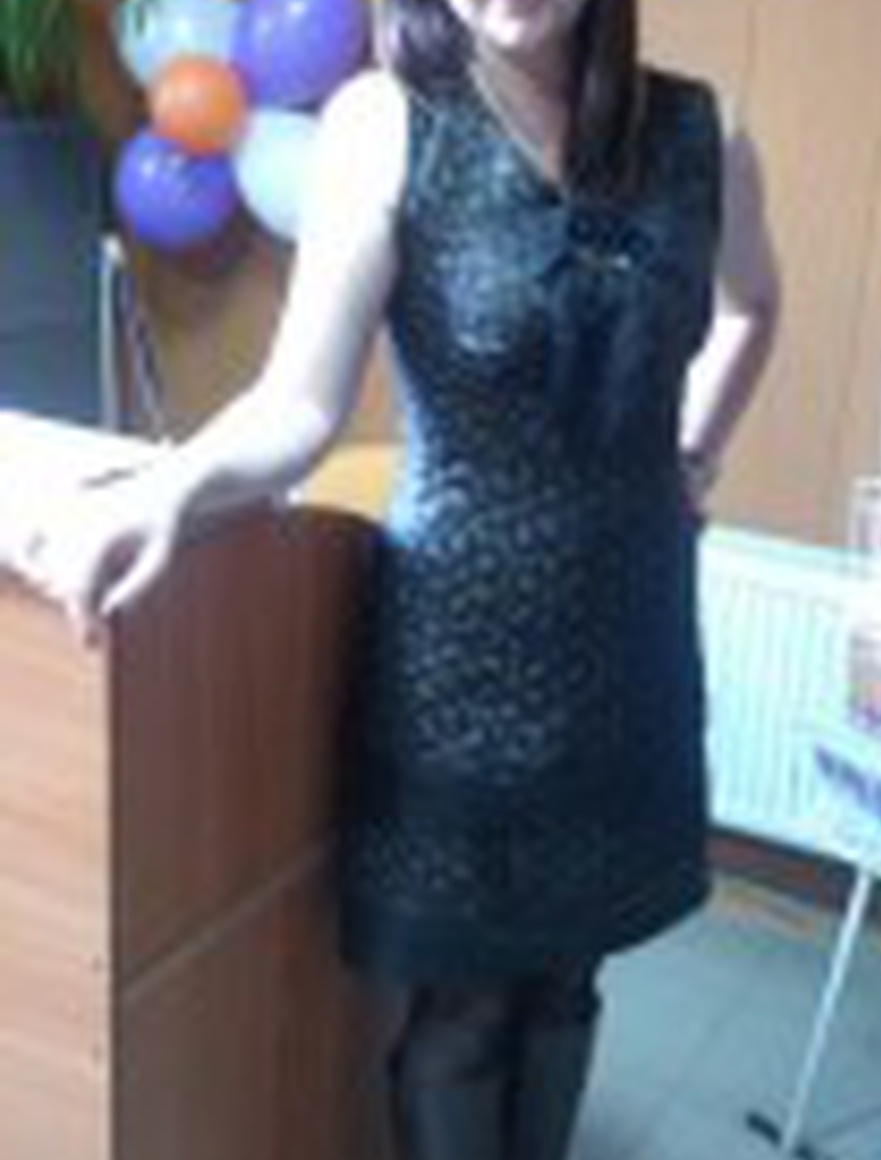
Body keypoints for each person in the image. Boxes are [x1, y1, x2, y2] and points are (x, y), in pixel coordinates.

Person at [20, 0, 779, 1157]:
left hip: (630, 645)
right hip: (458, 658)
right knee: (461, 1011)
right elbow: (298, 404)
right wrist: (165, 491)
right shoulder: (386, 125)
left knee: (568, 980)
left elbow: (751, 305)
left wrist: (693, 454)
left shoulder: (698, 136)